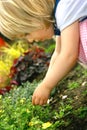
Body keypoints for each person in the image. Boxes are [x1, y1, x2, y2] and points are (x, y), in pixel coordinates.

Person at [0, 0, 87, 106]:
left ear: (36, 14)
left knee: (82, 33)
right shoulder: (59, 15)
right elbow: (58, 52)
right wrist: (45, 81)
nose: (30, 40)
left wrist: (47, 86)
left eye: (27, 34)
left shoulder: (64, 9)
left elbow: (68, 55)